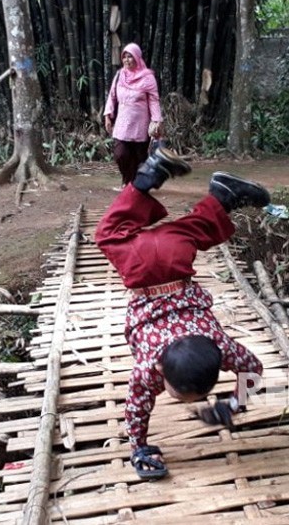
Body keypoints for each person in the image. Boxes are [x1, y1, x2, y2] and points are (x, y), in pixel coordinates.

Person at [94, 148, 270, 480]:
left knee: (184, 233)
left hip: (176, 263)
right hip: (143, 270)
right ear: (160, 368)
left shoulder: (220, 346)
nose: (182, 401)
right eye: (179, 394)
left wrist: (231, 404)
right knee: (108, 237)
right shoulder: (148, 370)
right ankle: (159, 180)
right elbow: (136, 409)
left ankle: (220, 196)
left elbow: (253, 369)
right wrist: (138, 449)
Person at [103, 43, 164, 185]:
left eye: (130, 56)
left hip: (140, 125)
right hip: (122, 123)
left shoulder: (148, 77)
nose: (126, 60)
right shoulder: (120, 75)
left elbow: (154, 100)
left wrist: (156, 120)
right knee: (120, 154)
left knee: (139, 157)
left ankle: (135, 186)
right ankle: (128, 180)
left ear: (137, 57)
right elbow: (112, 96)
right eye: (124, 57)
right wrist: (108, 116)